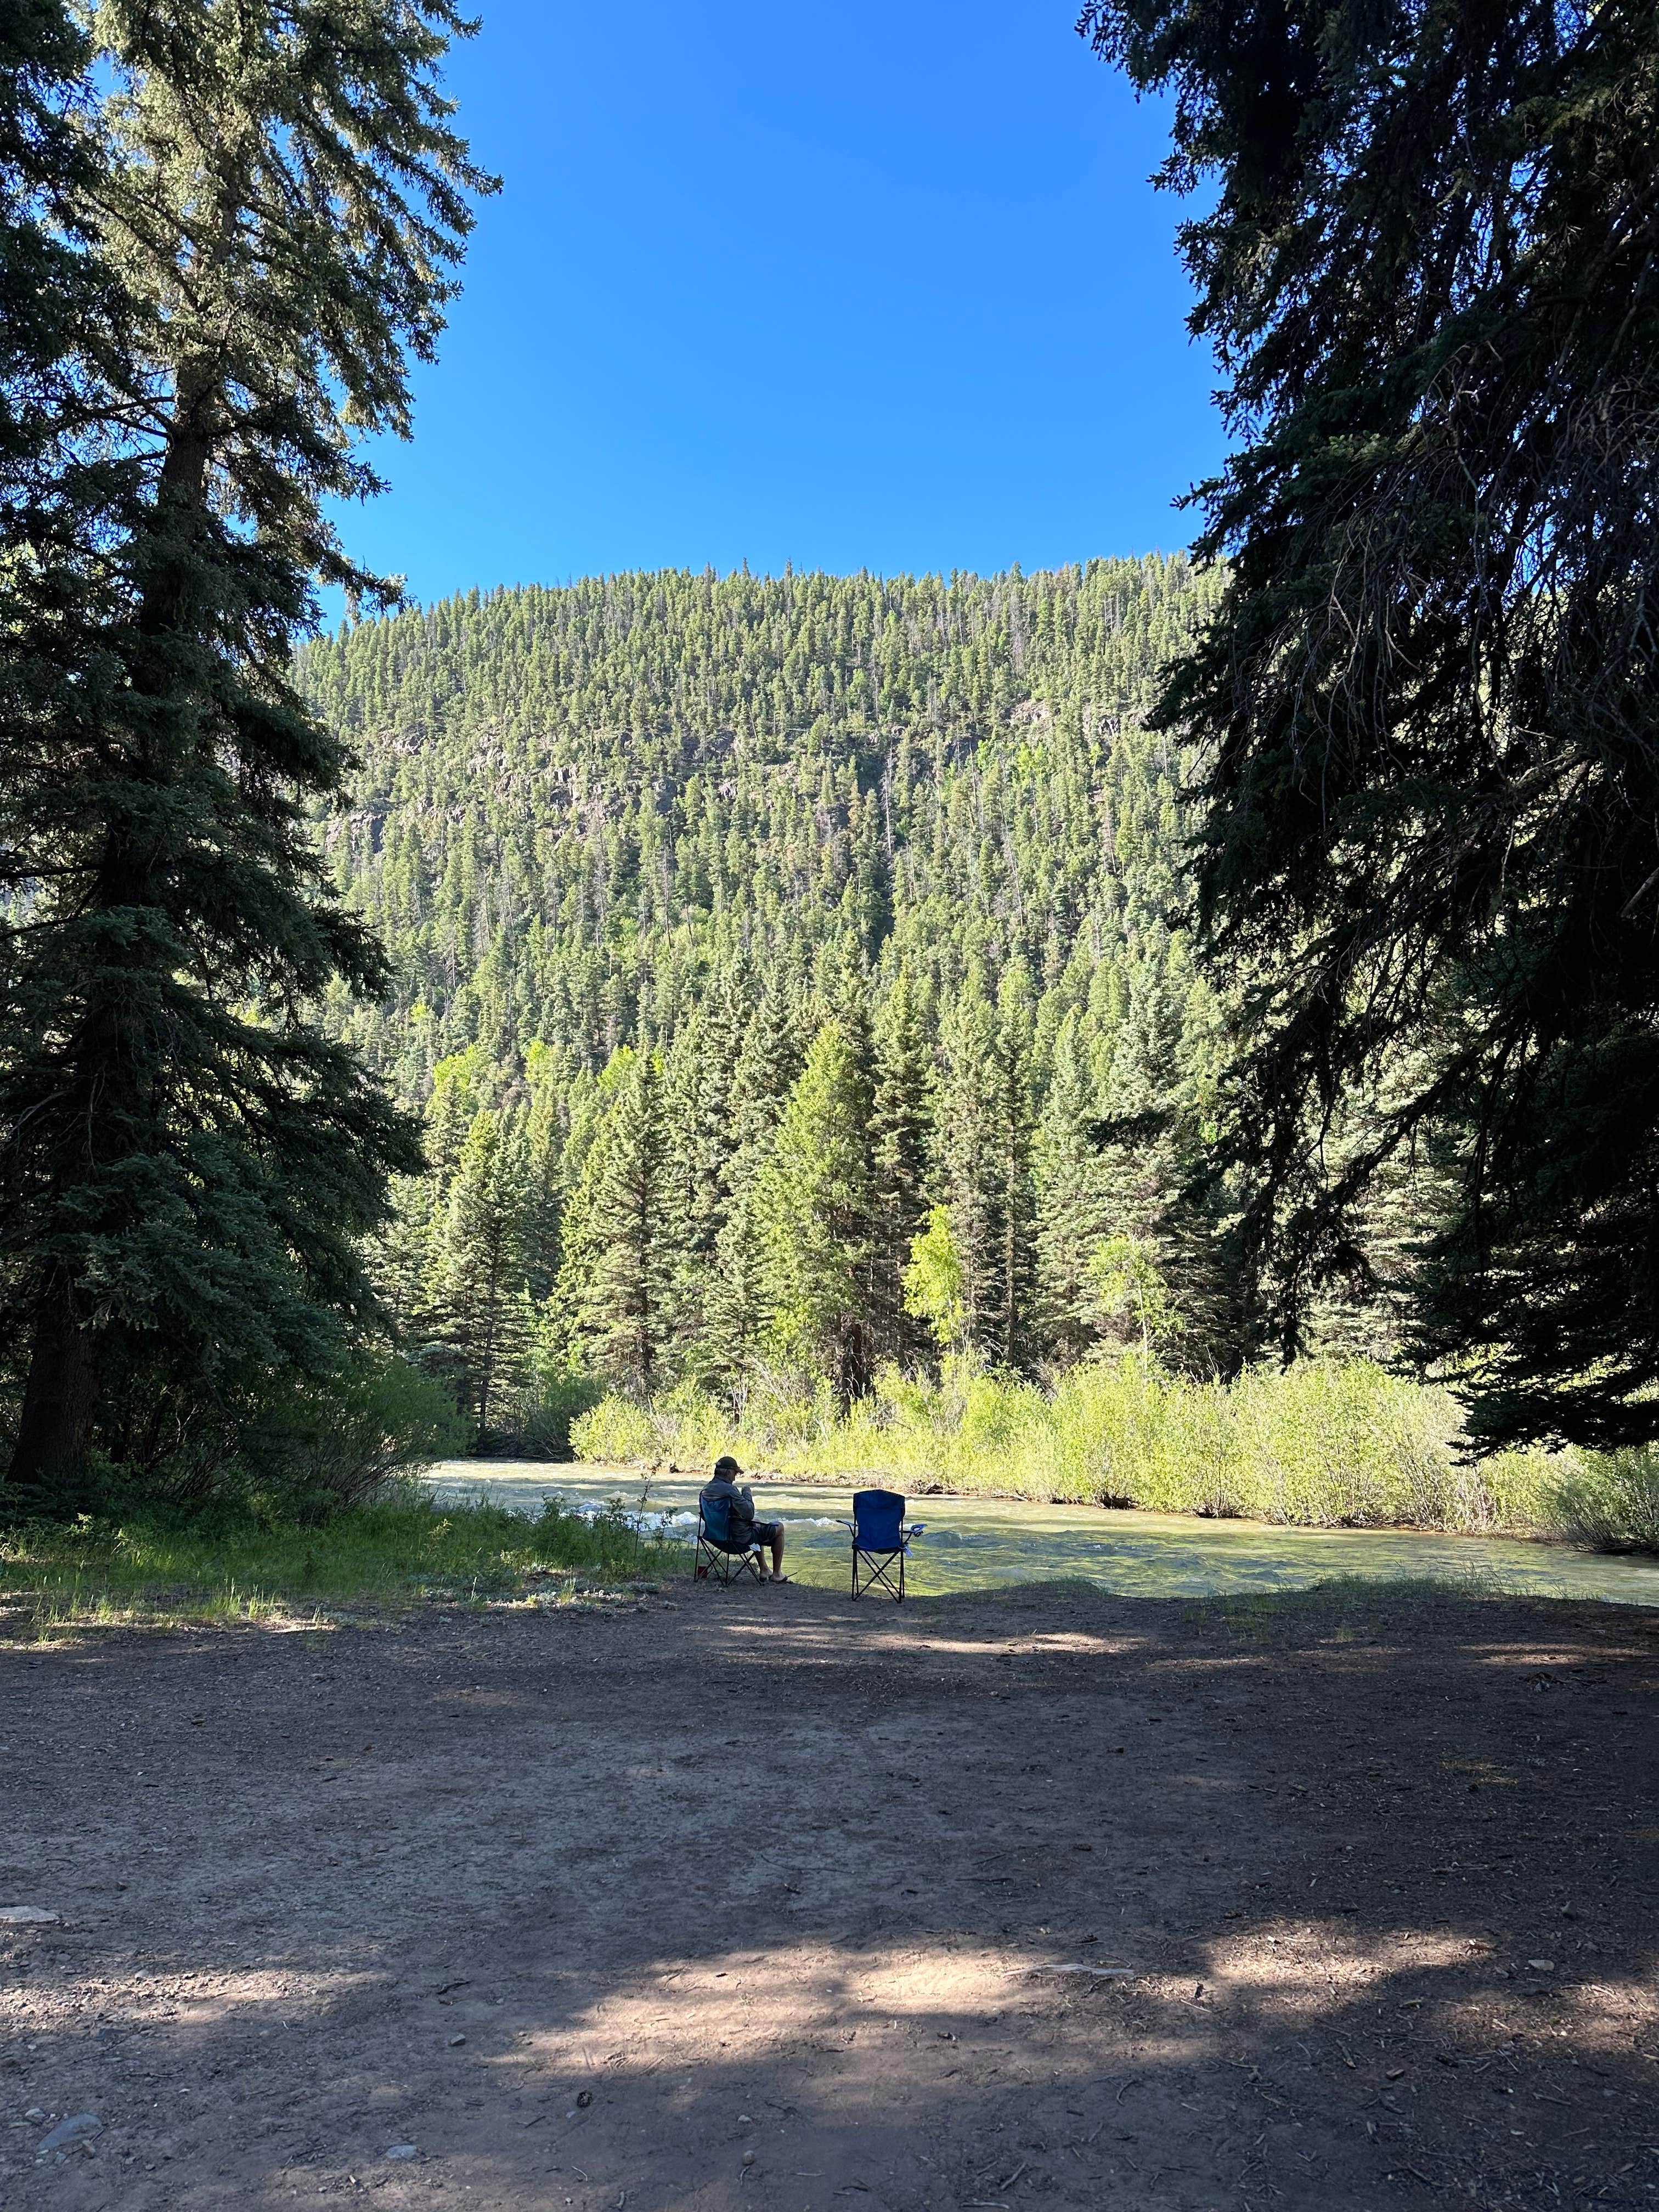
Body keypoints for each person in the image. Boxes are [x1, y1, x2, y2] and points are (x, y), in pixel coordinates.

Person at [700, 1454, 788, 1582]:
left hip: (716, 1539)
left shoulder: (705, 1490)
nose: (735, 1477)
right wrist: (747, 1493)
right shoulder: (730, 1490)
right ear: (729, 1472)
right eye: (735, 1474)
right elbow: (749, 1513)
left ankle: (764, 1570)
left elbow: (705, 1517)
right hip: (738, 1541)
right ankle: (777, 1574)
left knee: (756, 1523)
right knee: (779, 1527)